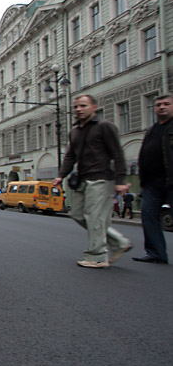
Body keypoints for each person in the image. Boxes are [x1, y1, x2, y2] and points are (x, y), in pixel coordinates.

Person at [53, 94, 131, 268]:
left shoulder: (105, 126)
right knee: (77, 214)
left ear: (94, 108)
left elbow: (118, 154)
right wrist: (61, 175)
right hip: (82, 179)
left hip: (102, 178)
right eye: (76, 107)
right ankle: (118, 242)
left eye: (83, 106)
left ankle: (97, 256)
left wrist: (120, 180)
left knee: (94, 217)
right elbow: (70, 156)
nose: (79, 109)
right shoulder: (75, 131)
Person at [132, 94, 173, 264]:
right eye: (158, 104)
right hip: (151, 182)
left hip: (171, 181)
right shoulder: (152, 129)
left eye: (166, 104)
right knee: (148, 215)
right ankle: (156, 253)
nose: (162, 107)